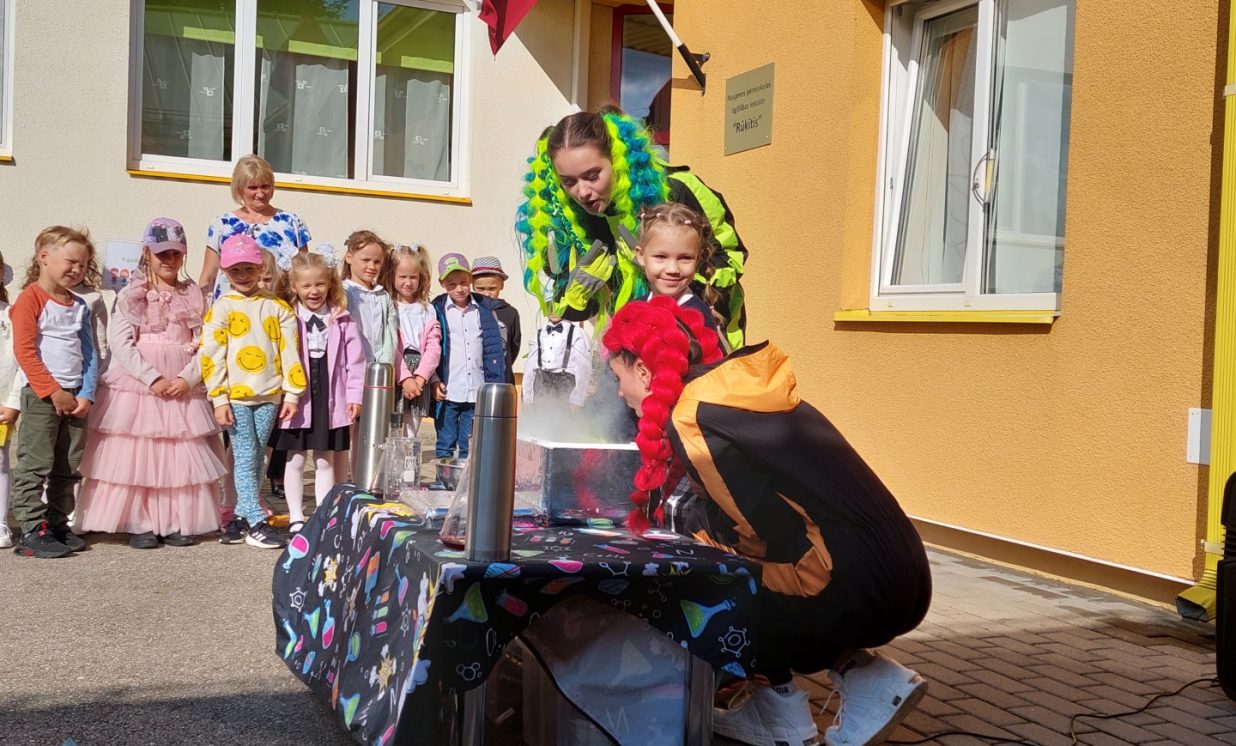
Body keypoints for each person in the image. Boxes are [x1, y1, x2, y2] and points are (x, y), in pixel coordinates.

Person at [602, 297, 932, 746]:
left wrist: (693, 537)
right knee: (734, 562)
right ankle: (854, 678)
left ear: (643, 371)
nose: (619, 392)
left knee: (706, 576)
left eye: (618, 378)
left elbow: (758, 534)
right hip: (904, 570)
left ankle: (780, 708)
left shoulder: (691, 417)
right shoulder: (733, 392)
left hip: (855, 583)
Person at [517, 106, 748, 346]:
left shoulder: (676, 188)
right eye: (569, 182)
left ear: (616, 160)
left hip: (702, 341)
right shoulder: (575, 218)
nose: (582, 192)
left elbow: (730, 259)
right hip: (637, 348)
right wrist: (576, 297)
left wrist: (662, 272)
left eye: (592, 176)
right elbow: (571, 310)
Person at [75, 218, 226, 549]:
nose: (169, 260)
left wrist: (189, 377)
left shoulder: (194, 295)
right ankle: (139, 521)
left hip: (181, 383)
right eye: (162, 254)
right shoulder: (131, 294)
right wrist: (151, 377)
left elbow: (207, 342)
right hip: (139, 385)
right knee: (137, 453)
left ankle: (175, 520)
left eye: (176, 253)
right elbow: (121, 342)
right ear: (147, 253)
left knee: (178, 453)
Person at [202, 234, 305, 550]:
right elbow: (212, 355)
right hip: (235, 397)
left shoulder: (278, 308)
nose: (243, 275)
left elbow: (290, 353)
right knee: (246, 454)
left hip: (269, 396)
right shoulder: (221, 308)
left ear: (261, 268)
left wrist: (292, 394)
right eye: (235, 270)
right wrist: (218, 398)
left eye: (249, 268)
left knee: (258, 455)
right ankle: (256, 520)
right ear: (225, 272)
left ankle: (241, 518)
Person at [9, 227, 100, 558]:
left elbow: (89, 353)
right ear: (44, 257)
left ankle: (58, 523)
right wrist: (53, 392)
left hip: (75, 397)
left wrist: (85, 393)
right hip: (41, 397)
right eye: (71, 261)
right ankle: (32, 529)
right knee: (35, 464)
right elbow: (25, 352)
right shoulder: (29, 299)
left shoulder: (79, 305)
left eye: (83, 265)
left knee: (68, 464)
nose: (76, 269)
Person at [272, 251, 364, 534]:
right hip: (297, 396)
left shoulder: (342, 319)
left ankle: (323, 517)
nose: (314, 291)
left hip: (330, 395)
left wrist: (354, 396)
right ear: (294, 287)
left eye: (320, 284)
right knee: (296, 457)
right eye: (307, 285)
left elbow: (355, 362)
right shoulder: (286, 316)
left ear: (330, 284)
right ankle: (296, 516)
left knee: (325, 459)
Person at [199, 154, 311, 302]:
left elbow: (304, 272)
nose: (260, 193)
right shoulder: (222, 224)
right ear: (240, 189)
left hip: (276, 308)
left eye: (265, 186)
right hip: (230, 309)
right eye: (253, 187)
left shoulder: (292, 222)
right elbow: (208, 276)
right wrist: (202, 310)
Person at [430, 254, 505, 461]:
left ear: (470, 279)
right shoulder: (436, 310)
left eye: (463, 282)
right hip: (448, 391)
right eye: (452, 284)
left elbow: (494, 350)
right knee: (445, 443)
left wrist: (493, 384)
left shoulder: (484, 309)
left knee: (470, 445)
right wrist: (434, 379)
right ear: (442, 284)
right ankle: (443, 478)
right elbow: (431, 348)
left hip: (476, 391)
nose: (459, 289)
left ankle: (466, 479)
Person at [635, 202, 723, 340]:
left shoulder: (697, 319)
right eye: (661, 257)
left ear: (698, 258)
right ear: (641, 256)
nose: (673, 269)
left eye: (685, 258)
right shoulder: (634, 308)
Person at [386, 243, 442, 438]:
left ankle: (409, 458)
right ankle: (391, 458)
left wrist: (421, 377)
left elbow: (433, 347)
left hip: (420, 374)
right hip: (396, 371)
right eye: (402, 276)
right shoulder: (389, 306)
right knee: (392, 428)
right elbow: (390, 346)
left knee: (411, 429)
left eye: (413, 277)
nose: (408, 282)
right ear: (391, 276)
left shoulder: (427, 309)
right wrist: (405, 378)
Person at [520, 314, 591, 423]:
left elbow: (583, 368)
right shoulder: (539, 333)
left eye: (557, 306)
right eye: (550, 306)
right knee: (539, 424)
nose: (553, 311)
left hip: (565, 387)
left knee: (562, 425)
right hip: (541, 385)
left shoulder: (576, 333)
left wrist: (578, 399)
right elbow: (530, 367)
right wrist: (527, 399)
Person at [342, 230, 397, 366]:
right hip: (351, 366)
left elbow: (390, 334)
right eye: (366, 260)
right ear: (349, 258)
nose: (372, 267)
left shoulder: (383, 296)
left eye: (377, 262)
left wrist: (385, 364)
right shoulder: (343, 292)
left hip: (379, 368)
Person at [470, 256, 520, 383]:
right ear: (472, 285)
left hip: (503, 380)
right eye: (481, 289)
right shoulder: (469, 312)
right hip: (475, 380)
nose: (487, 294)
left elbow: (513, 347)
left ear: (501, 285)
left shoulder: (510, 313)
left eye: (492, 288)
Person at [0, 253, 19, 549]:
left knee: (0, 461)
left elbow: (22, 360)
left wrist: (14, 400)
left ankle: (1, 522)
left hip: (1, 403)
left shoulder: (11, 316)